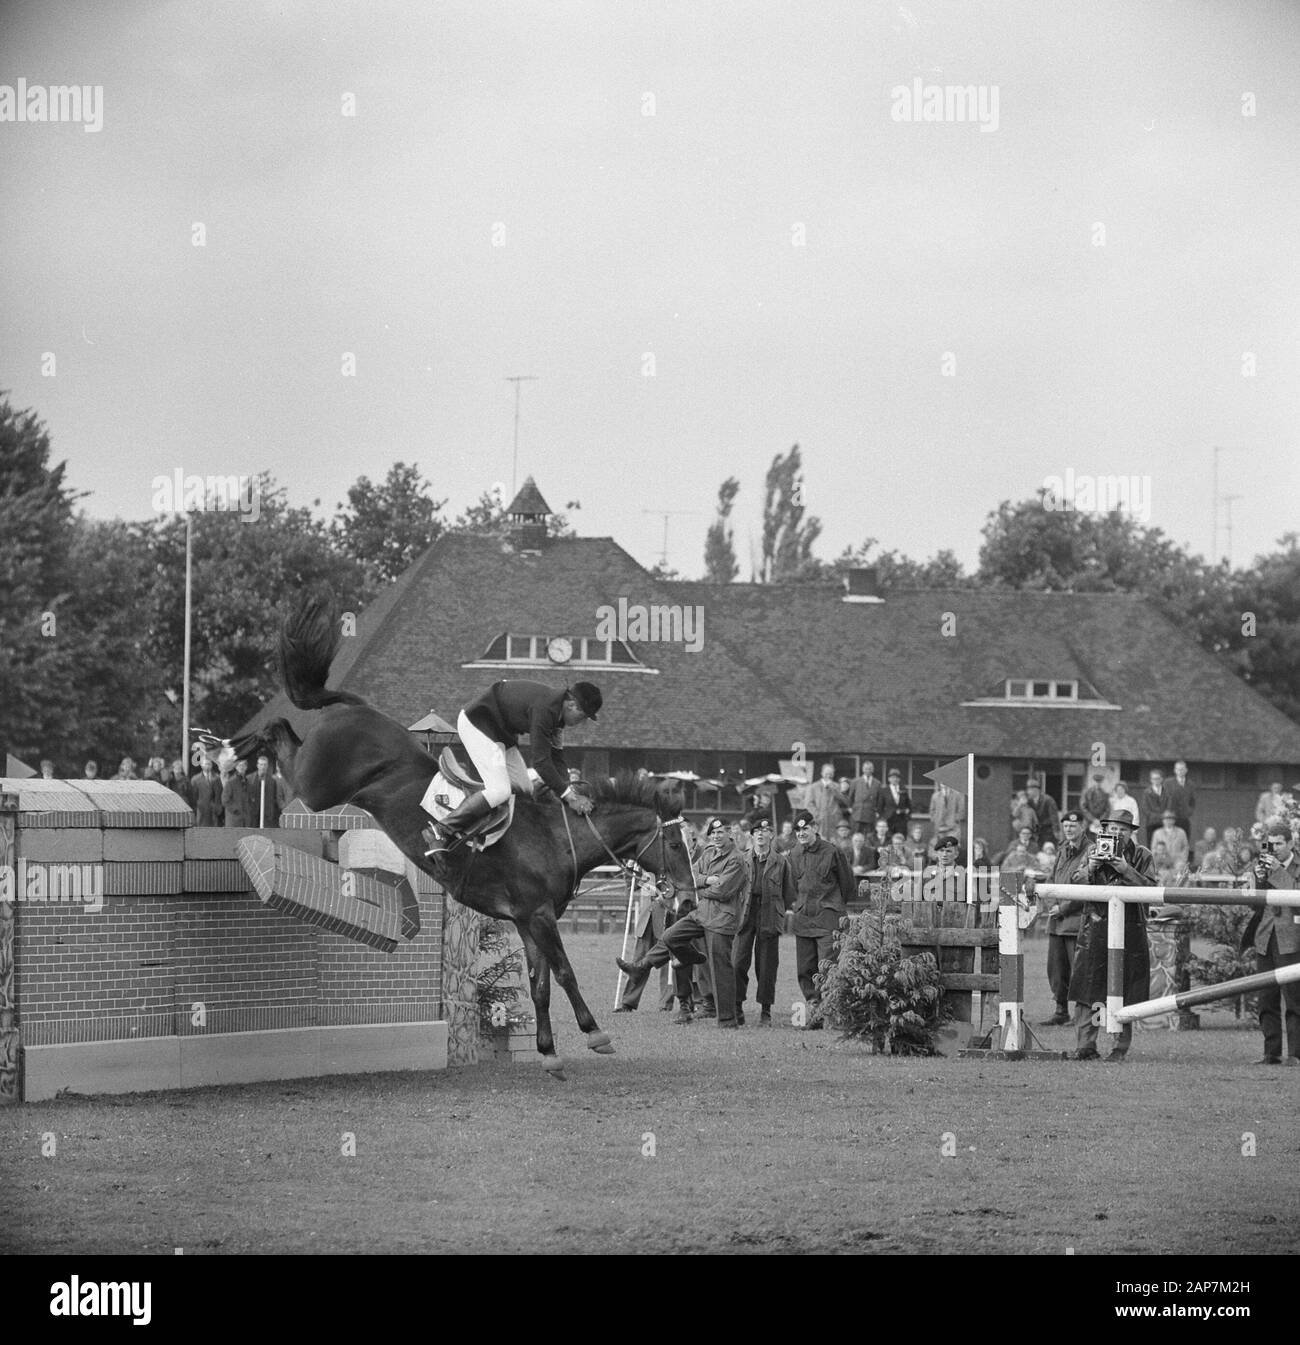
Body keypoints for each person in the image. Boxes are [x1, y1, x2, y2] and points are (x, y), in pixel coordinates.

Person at [424, 679, 602, 852]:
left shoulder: (558, 716)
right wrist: (570, 797)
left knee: (525, 787)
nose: (583, 721)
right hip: (476, 723)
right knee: (500, 791)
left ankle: (508, 837)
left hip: (500, 732)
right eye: (584, 716)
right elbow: (541, 763)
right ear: (572, 704)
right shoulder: (546, 710)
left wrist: (570, 792)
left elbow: (557, 759)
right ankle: (441, 829)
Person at [617, 816, 745, 1028]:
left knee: (721, 969)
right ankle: (691, 957)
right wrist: (706, 881)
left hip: (722, 918)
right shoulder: (710, 853)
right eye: (713, 833)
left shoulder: (736, 859)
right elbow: (692, 877)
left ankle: (728, 1020)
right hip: (701, 913)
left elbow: (722, 890)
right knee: (670, 937)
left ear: (730, 834)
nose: (716, 836)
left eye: (720, 832)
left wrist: (701, 885)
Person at [1068, 810, 1155, 1061]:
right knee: (1088, 987)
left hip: (1130, 929)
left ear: (1131, 832)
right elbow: (1074, 884)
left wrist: (1126, 870)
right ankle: (1085, 1045)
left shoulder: (1142, 855)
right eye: (1112, 829)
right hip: (1094, 928)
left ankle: (1119, 1047)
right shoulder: (1092, 850)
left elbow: (1152, 888)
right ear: (1104, 830)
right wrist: (1092, 867)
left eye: (1122, 830)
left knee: (1126, 989)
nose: (1116, 834)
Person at [788, 808, 854, 1028]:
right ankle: (814, 1009)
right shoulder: (794, 854)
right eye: (797, 830)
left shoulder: (832, 851)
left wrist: (834, 907)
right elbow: (792, 887)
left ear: (815, 828)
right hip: (804, 919)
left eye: (805, 828)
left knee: (826, 967)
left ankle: (830, 1013)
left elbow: (847, 885)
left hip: (828, 919)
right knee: (804, 969)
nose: (801, 833)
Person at [1242, 821, 1300, 1065]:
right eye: (1270, 843)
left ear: (1291, 843)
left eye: (1279, 843)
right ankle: (1271, 1053)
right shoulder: (1263, 865)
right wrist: (1257, 880)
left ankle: (1296, 1054)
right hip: (1265, 937)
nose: (1274, 848)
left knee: (1295, 999)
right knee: (1266, 998)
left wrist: (1277, 871)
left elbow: (1296, 895)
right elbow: (1255, 905)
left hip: (1292, 939)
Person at [732, 816, 796, 1026]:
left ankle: (765, 1010)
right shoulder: (741, 859)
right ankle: (737, 1006)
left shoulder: (781, 861)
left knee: (767, 966)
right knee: (738, 962)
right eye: (757, 831)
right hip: (745, 915)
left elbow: (788, 892)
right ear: (752, 835)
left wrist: (777, 911)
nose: (761, 834)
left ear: (771, 835)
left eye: (765, 831)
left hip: (769, 915)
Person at [1039, 810, 1091, 1025]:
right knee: (1056, 969)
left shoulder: (1090, 851)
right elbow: (1051, 879)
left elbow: (1088, 886)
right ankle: (1061, 1010)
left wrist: (1064, 908)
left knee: (1078, 969)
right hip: (1056, 920)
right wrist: (1052, 905)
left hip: (1075, 920)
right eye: (1066, 826)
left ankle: (1081, 1013)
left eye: (1073, 825)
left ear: (1082, 826)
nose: (1069, 829)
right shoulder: (1061, 850)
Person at [614, 879, 675, 1013]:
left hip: (666, 918)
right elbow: (630, 887)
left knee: (667, 963)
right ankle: (628, 1002)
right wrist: (629, 870)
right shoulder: (643, 867)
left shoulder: (665, 865)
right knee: (638, 962)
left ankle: (665, 1004)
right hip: (645, 920)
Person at [844, 761, 889, 837]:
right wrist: (850, 808)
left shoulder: (877, 783)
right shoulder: (855, 781)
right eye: (866, 769)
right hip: (858, 813)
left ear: (873, 770)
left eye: (870, 769)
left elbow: (879, 800)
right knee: (856, 835)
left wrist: (877, 811)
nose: (868, 771)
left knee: (869, 835)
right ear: (863, 769)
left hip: (870, 813)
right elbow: (850, 797)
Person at [804, 763, 847, 841]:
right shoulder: (813, 787)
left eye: (831, 774)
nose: (828, 776)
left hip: (834, 820)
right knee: (820, 840)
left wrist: (834, 789)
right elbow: (808, 803)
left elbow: (844, 801)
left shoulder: (837, 786)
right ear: (822, 773)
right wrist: (817, 815)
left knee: (834, 842)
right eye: (826, 773)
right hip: (820, 820)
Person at [247, 753, 283, 827]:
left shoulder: (273, 781)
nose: (263, 767)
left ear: (267, 766)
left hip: (267, 815)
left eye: (264, 765)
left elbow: (275, 798)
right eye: (261, 764)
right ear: (257, 765)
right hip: (252, 814)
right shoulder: (249, 779)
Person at [1023, 778, 1061, 846]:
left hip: (1047, 830)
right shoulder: (1028, 801)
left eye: (1029, 790)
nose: (1028, 792)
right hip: (1034, 831)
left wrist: (1056, 831)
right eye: (1028, 789)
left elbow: (1054, 816)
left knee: (1047, 848)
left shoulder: (1048, 800)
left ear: (1036, 790)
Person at [1165, 761, 1195, 844]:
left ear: (1186, 770)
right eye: (1178, 769)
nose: (1180, 771)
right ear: (1175, 770)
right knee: (1170, 841)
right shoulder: (1168, 783)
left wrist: (1189, 811)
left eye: (1182, 769)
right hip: (1171, 817)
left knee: (1184, 841)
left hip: (1185, 817)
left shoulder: (1191, 784)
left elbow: (1192, 801)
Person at [1141, 770, 1168, 848]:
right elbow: (1145, 808)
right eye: (1154, 779)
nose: (1156, 781)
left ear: (1161, 779)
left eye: (1158, 778)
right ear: (1151, 780)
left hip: (1164, 822)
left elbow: (1169, 806)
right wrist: (1156, 816)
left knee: (1164, 843)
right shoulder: (1146, 792)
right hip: (1151, 822)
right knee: (1151, 844)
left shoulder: (1166, 792)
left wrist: (1164, 817)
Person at [222, 759, 250, 827]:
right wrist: (236, 809)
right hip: (234, 820)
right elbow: (225, 800)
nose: (241, 767)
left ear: (246, 767)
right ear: (236, 767)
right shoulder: (230, 782)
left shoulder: (247, 782)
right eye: (239, 765)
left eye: (243, 765)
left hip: (245, 820)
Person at [884, 769, 911, 837]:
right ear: (889, 779)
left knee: (900, 838)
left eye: (897, 777)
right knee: (889, 839)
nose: (895, 779)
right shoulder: (884, 790)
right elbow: (879, 806)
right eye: (892, 777)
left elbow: (908, 805)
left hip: (901, 820)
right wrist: (884, 818)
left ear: (899, 779)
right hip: (889, 820)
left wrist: (907, 817)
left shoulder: (903, 789)